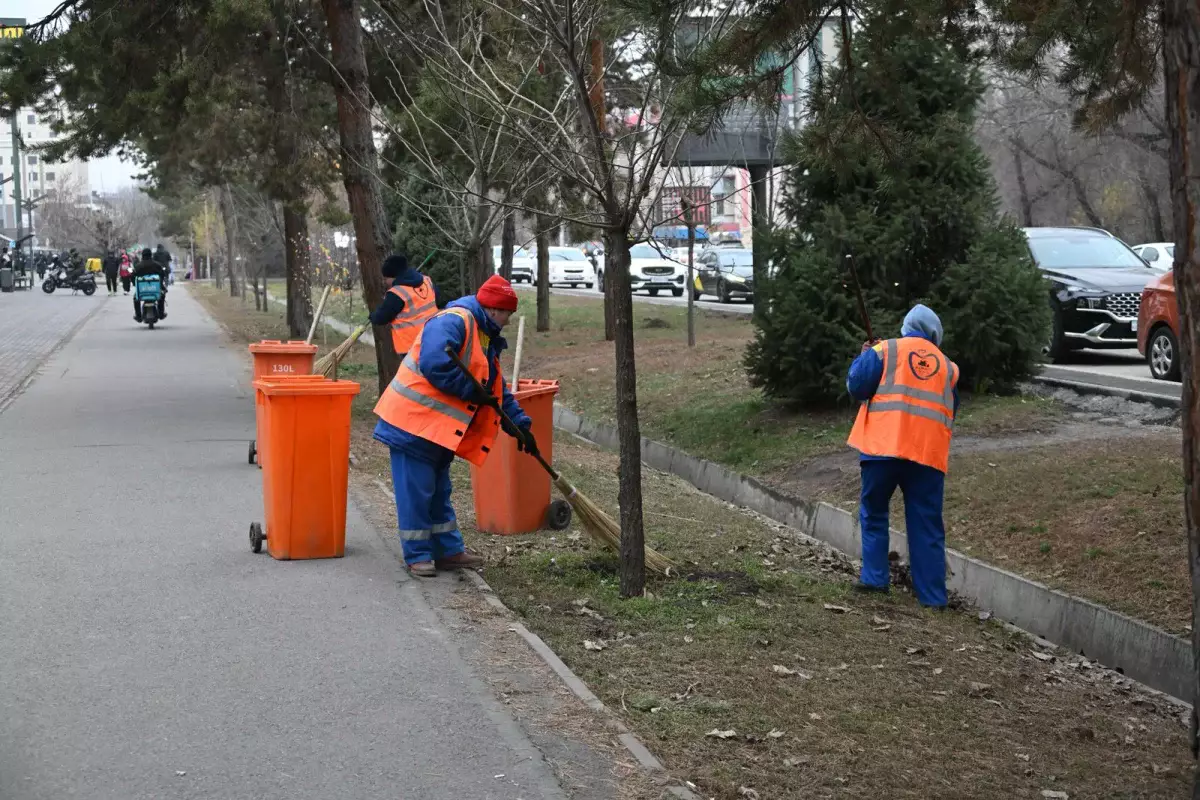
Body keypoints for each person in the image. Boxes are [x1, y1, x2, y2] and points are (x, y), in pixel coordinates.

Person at [372, 275, 536, 578]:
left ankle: (448, 551)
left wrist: (520, 424)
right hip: (412, 425)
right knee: (416, 493)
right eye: (507, 314)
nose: (509, 322)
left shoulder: (484, 333)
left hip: (438, 430)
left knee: (438, 492)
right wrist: (470, 390)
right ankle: (418, 555)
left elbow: (495, 386)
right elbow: (434, 364)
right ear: (495, 309)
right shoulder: (453, 321)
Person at [845, 304, 959, 609]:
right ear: (935, 335)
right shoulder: (948, 367)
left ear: (906, 326)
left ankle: (874, 580)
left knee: (874, 511)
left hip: (882, 449)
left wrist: (863, 356)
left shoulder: (884, 351)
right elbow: (951, 409)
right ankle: (933, 598)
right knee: (926, 525)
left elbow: (857, 386)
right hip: (926, 457)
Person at [368, 253, 442, 363]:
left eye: (386, 278)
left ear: (394, 276)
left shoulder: (396, 293)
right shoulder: (427, 281)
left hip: (412, 347)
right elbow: (438, 300)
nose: (385, 282)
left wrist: (372, 316)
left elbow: (381, 317)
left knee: (416, 378)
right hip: (434, 337)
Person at [131, 247, 167, 322]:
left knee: (135, 299)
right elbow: (162, 275)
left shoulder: (138, 266)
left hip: (142, 291)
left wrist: (135, 284)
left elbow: (132, 276)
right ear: (151, 255)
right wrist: (162, 286)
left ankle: (138, 316)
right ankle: (161, 313)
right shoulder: (157, 265)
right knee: (162, 296)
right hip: (155, 290)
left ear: (142, 255)